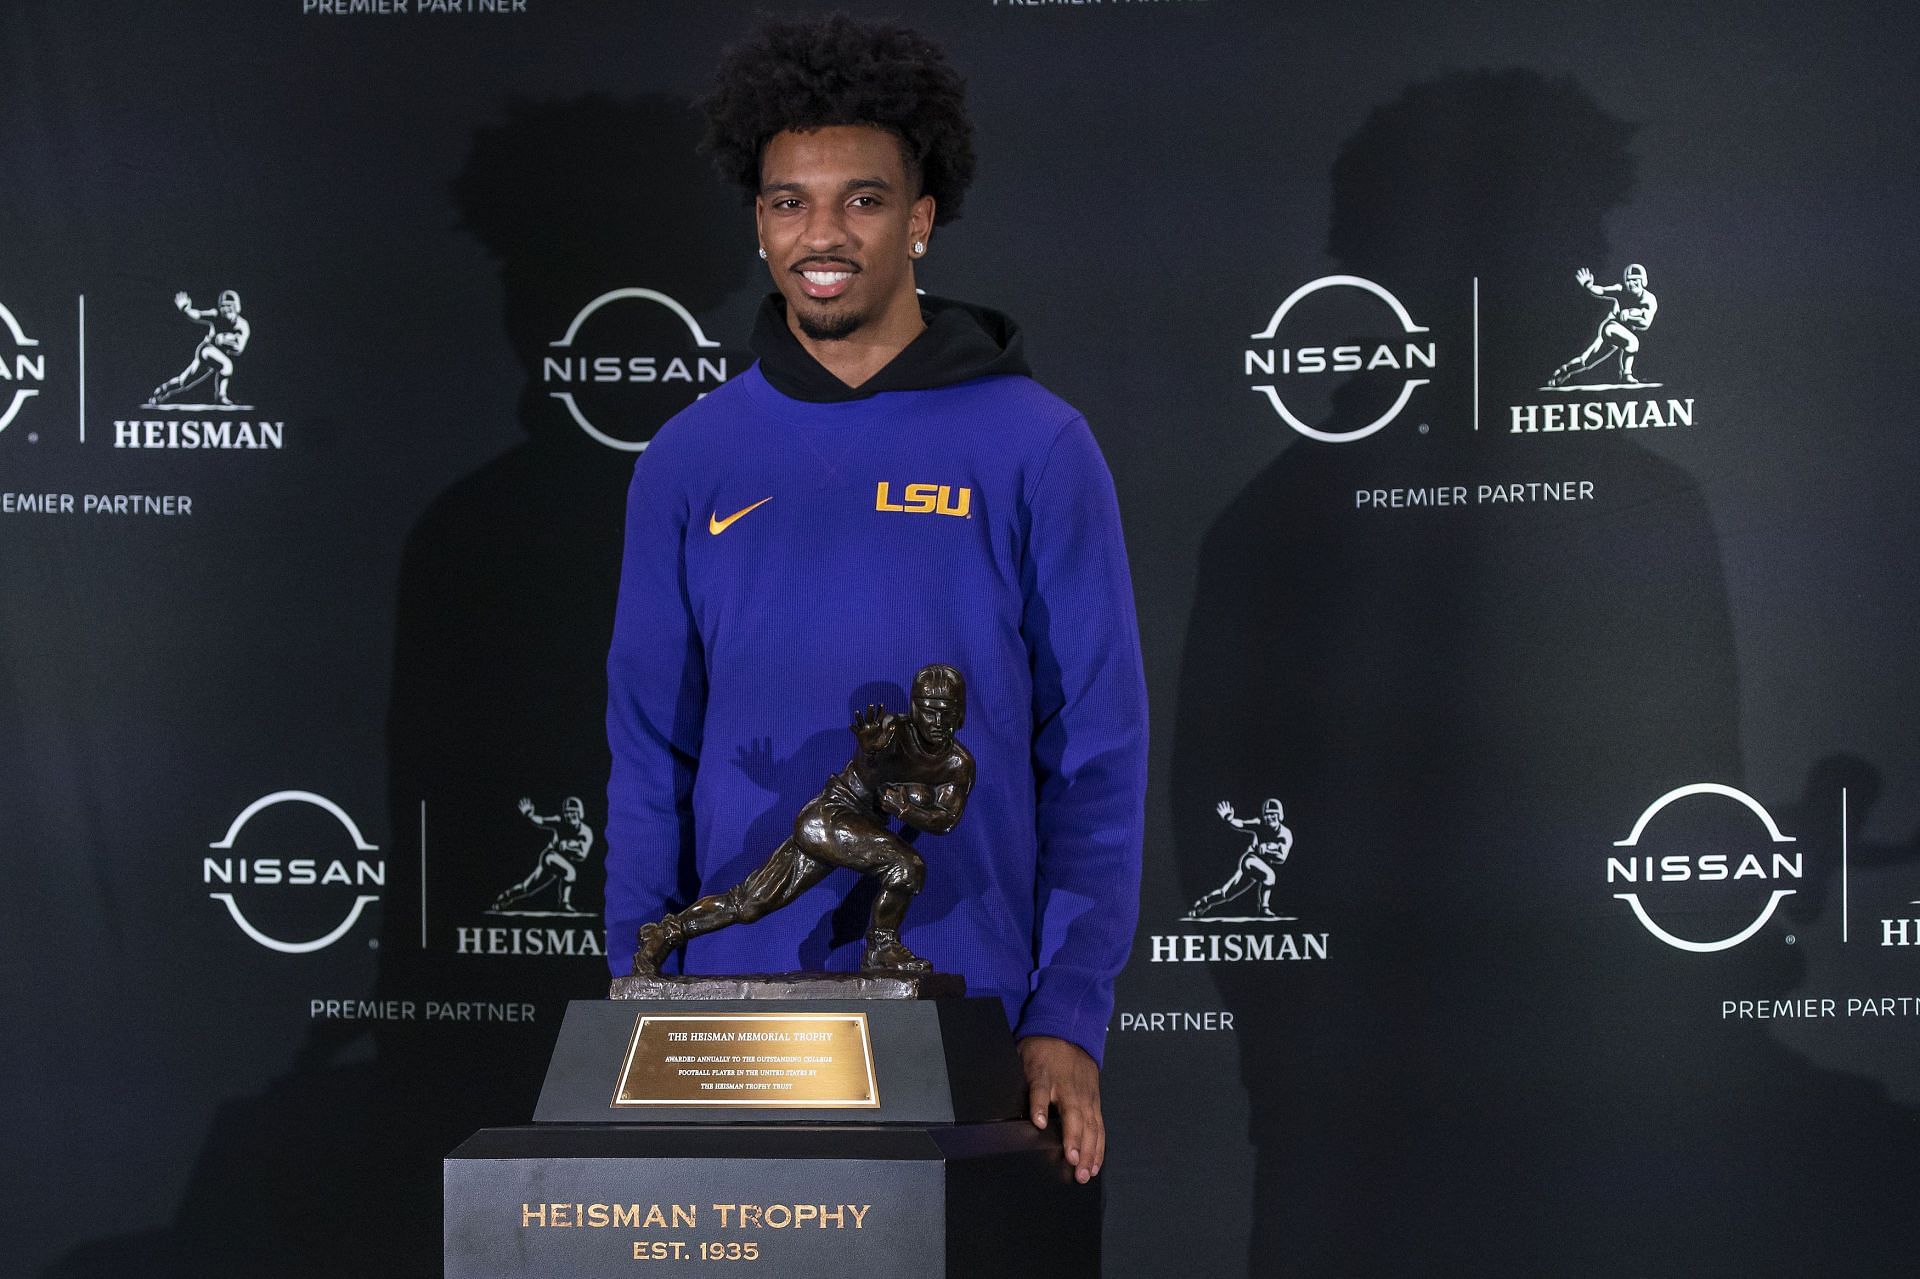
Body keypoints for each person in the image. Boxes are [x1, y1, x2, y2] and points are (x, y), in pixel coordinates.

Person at [604, 15, 1146, 1187]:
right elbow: (649, 754)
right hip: (723, 1041)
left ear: (920, 217)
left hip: (970, 1019)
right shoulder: (689, 459)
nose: (822, 235)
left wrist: (1068, 1013)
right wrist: (628, 992)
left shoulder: (1037, 444)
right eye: (789, 202)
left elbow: (1097, 754)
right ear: (758, 224)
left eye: (860, 199)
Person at [631, 663, 973, 974]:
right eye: (929, 712)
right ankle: (881, 947)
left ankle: (665, 934)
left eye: (948, 713)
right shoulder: (890, 731)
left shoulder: (958, 764)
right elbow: (871, 767)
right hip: (830, 818)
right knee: (907, 866)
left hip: (851, 829)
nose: (938, 722)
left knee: (748, 904)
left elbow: (945, 820)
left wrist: (904, 809)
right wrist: (869, 751)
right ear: (915, 709)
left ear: (961, 715)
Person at [1546, 264, 1658, 387]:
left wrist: (1630, 317)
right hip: (1611, 327)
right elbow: (1602, 291)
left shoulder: (1649, 299)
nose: (1632, 283)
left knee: (1586, 361)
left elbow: (1645, 323)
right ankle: (1626, 374)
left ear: (1643, 280)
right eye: (1629, 280)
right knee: (1632, 342)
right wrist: (1588, 285)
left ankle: (1564, 371)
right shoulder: (1621, 291)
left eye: (1635, 279)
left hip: (1622, 333)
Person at [1186, 798, 1294, 920]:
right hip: (1250, 860)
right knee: (1270, 876)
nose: (1270, 817)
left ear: (1280, 815)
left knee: (1226, 894)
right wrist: (1229, 819)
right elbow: (1242, 824)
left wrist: (1268, 851)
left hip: (1260, 866)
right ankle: (1264, 908)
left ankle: (1203, 904)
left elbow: (1282, 858)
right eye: (1267, 814)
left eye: (1273, 814)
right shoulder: (1260, 824)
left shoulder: (1285, 834)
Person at [491, 796, 594, 914]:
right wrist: (530, 816)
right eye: (567, 812)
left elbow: (582, 855)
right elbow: (542, 821)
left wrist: (569, 848)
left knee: (527, 888)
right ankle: (564, 903)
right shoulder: (560, 822)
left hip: (559, 863)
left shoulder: (586, 832)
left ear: (580, 813)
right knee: (570, 872)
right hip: (550, 856)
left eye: (573, 812)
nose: (570, 815)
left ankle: (505, 896)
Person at [148, 290, 250, 407]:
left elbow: (239, 349)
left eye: (229, 306)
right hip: (207, 350)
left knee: (184, 382)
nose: (226, 309)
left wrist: (226, 341)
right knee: (227, 366)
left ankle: (162, 390)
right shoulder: (216, 315)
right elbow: (198, 314)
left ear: (236, 307)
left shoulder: (242, 326)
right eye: (223, 306)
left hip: (217, 355)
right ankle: (221, 396)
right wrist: (186, 310)